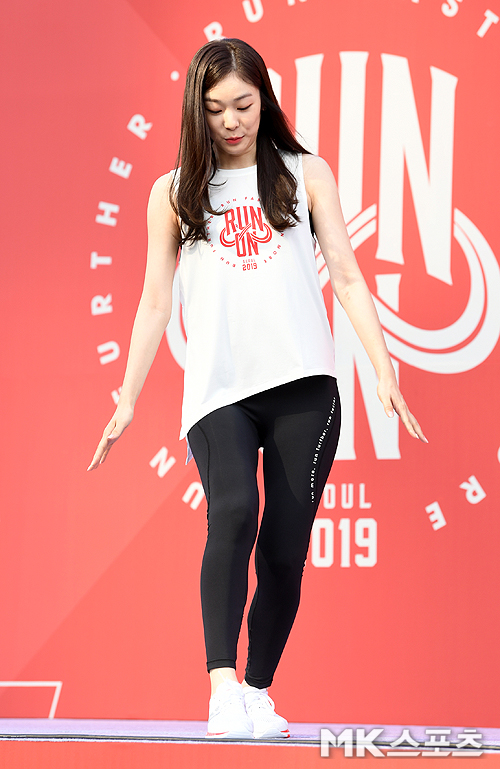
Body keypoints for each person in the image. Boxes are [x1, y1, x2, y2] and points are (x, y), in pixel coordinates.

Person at [88, 38, 427, 740]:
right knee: (235, 511)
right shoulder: (173, 192)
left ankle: (259, 690)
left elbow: (347, 275)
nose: (232, 121)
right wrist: (126, 397)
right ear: (197, 112)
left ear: (264, 101)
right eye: (215, 109)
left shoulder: (305, 173)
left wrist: (383, 367)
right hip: (220, 391)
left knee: (283, 547)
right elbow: (155, 302)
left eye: (243, 105)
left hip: (306, 384)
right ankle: (221, 687)